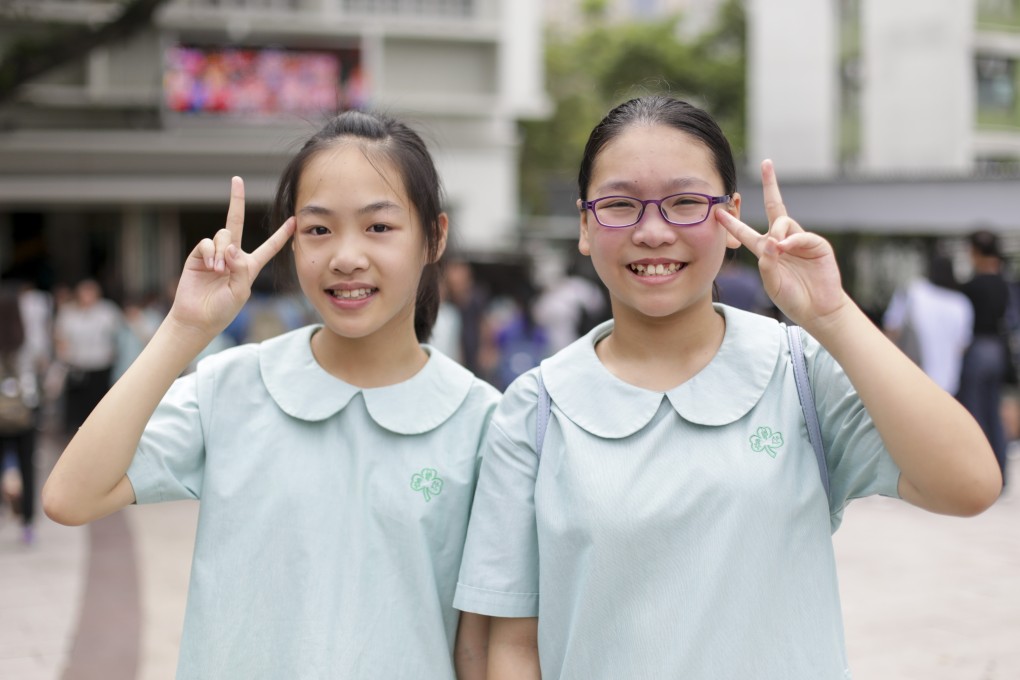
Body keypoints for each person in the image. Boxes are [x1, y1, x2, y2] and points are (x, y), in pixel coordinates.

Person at [453, 96, 1002, 678]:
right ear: (586, 225)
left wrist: (832, 315)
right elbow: (512, 644)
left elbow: (968, 484)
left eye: (686, 203)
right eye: (620, 206)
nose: (654, 232)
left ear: (733, 216)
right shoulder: (537, 407)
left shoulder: (798, 371)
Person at [43, 110, 499, 679]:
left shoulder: (485, 424)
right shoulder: (234, 387)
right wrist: (185, 329)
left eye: (379, 227)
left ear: (435, 236)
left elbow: (478, 646)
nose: (346, 256)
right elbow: (70, 497)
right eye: (318, 229)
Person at [958, 229, 1012, 487]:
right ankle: (1001, 473)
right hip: (998, 350)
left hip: (978, 348)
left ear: (976, 252)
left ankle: (979, 474)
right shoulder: (1005, 283)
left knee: (975, 413)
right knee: (994, 411)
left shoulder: (972, 286)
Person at [883, 252, 973, 395]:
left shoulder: (914, 290)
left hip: (912, 374)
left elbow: (892, 327)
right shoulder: (961, 303)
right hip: (948, 383)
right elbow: (962, 345)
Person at [53, 278, 123, 434]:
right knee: (77, 408)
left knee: (98, 403)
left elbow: (119, 335)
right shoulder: (68, 312)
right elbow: (60, 337)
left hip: (100, 365)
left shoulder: (108, 311)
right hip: (77, 366)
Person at [0, 285, 41, 545]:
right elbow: (40, 365)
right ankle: (27, 523)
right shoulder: (28, 337)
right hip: (25, 410)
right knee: (27, 466)